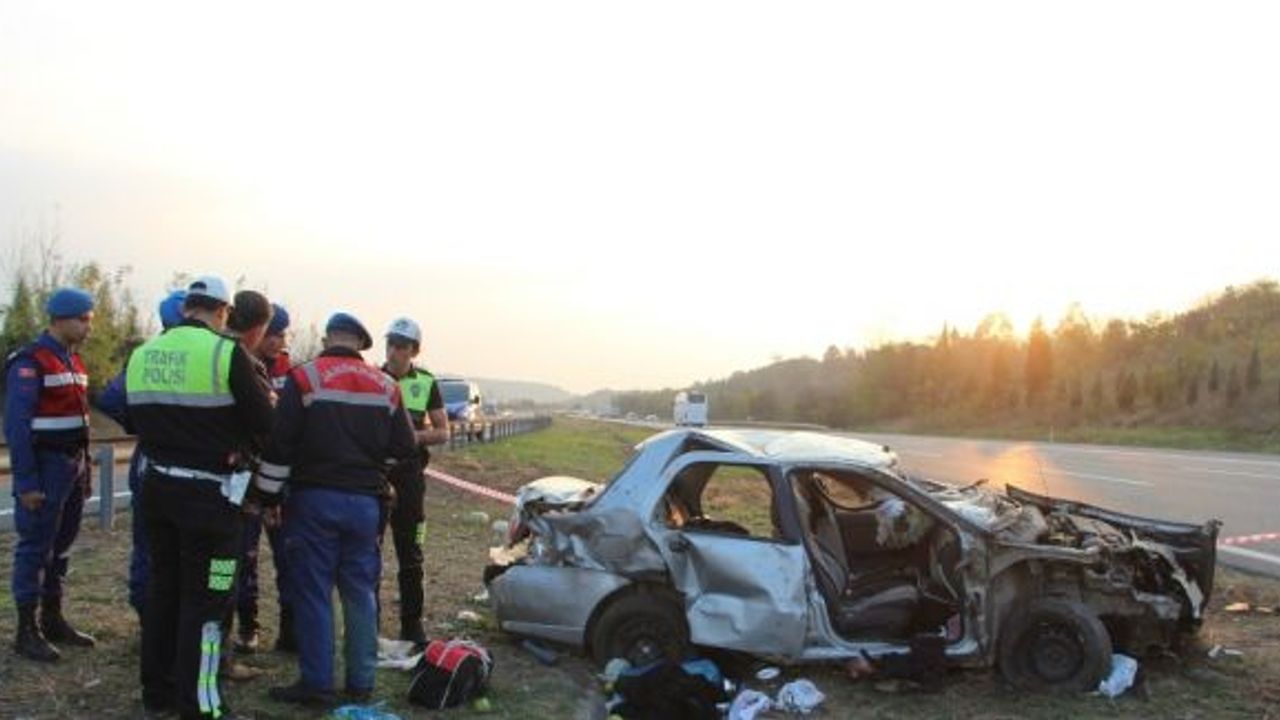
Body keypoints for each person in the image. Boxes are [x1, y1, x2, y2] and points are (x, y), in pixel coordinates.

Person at [125, 275, 274, 718]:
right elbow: (266, 425)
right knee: (210, 600)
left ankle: (158, 694)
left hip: (156, 492)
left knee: (164, 589)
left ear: (187, 306)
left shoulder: (143, 353)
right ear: (223, 311)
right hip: (212, 502)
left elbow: (132, 418)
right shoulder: (225, 353)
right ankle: (202, 705)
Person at [256, 312, 416, 707]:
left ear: (328, 339)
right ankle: (361, 682)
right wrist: (376, 470)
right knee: (360, 593)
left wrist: (268, 497)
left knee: (313, 592)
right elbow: (405, 447)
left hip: (313, 500)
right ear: (361, 344)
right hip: (365, 503)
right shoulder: (387, 386)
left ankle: (317, 683)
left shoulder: (304, 378)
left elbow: (280, 446)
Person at [5, 287, 97, 662]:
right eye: (83, 320)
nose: (89, 327)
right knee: (35, 548)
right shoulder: (31, 361)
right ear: (61, 319)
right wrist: (26, 482)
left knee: (62, 546)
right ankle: (26, 630)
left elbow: (80, 420)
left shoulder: (73, 361)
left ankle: (53, 616)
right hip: (46, 466)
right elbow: (17, 426)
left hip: (71, 465)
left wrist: (85, 470)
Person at [97, 289, 187, 625]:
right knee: (194, 549)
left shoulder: (146, 355)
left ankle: (152, 619)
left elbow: (111, 398)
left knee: (150, 544)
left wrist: (141, 423)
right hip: (193, 471)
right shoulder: (206, 355)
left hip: (150, 463)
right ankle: (183, 621)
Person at [379, 317, 449, 643]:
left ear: (414, 351)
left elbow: (443, 431)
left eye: (401, 346)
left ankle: (412, 624)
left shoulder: (426, 382)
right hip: (376, 476)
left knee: (412, 552)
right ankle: (368, 624)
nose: (394, 351)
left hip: (410, 478)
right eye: (390, 344)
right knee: (368, 553)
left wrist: (413, 438)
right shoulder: (373, 378)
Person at [235, 302, 294, 653]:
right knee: (245, 557)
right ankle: (248, 625)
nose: (276, 341)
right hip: (245, 479)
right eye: (271, 334)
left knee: (288, 556)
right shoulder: (238, 363)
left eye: (282, 335)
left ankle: (290, 628)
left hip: (282, 480)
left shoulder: (293, 371)